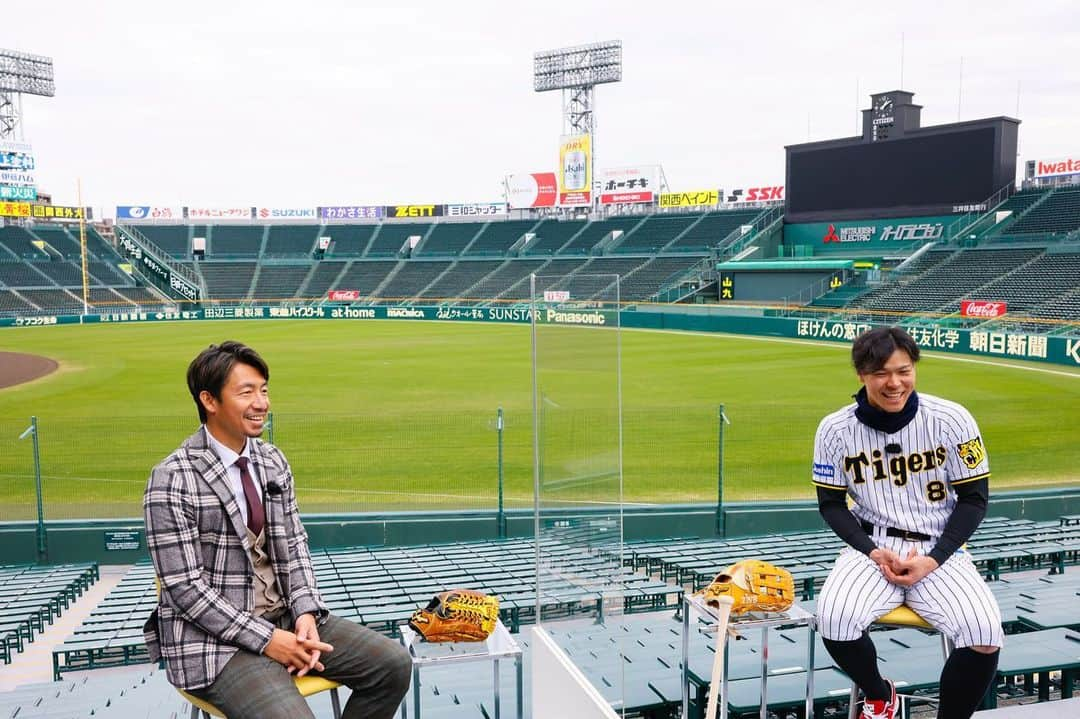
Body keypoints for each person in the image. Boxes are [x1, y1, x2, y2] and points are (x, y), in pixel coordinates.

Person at [144, 341, 411, 718]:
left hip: (286, 618)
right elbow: (185, 590)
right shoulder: (171, 478)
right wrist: (269, 640)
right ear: (209, 400)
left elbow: (296, 545)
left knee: (393, 665)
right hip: (216, 644)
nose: (262, 403)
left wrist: (304, 612)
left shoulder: (271, 459)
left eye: (264, 390)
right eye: (246, 392)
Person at [812, 327, 1002, 719]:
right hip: (872, 546)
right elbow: (831, 505)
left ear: (914, 368)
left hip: (940, 548)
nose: (895, 383)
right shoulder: (834, 429)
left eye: (904, 370)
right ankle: (881, 695)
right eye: (881, 373)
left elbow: (973, 500)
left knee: (984, 633)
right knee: (833, 619)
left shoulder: (952, 419)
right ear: (861, 374)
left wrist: (933, 559)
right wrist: (871, 550)